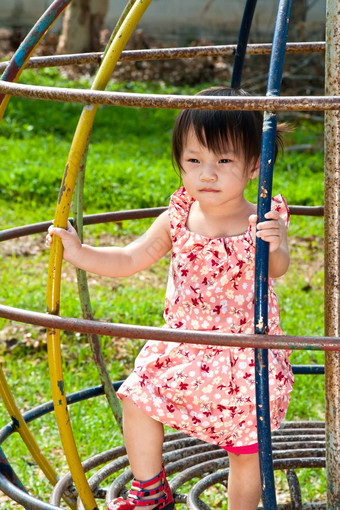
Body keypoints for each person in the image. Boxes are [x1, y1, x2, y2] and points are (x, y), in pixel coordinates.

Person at [46, 86, 294, 510]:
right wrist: (80, 253)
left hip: (246, 353)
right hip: (182, 346)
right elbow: (130, 257)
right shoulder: (178, 217)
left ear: (255, 165)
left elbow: (277, 268)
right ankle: (151, 491)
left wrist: (274, 242)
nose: (207, 174)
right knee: (138, 396)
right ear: (180, 162)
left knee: (247, 452)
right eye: (194, 160)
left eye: (224, 160)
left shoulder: (263, 217)